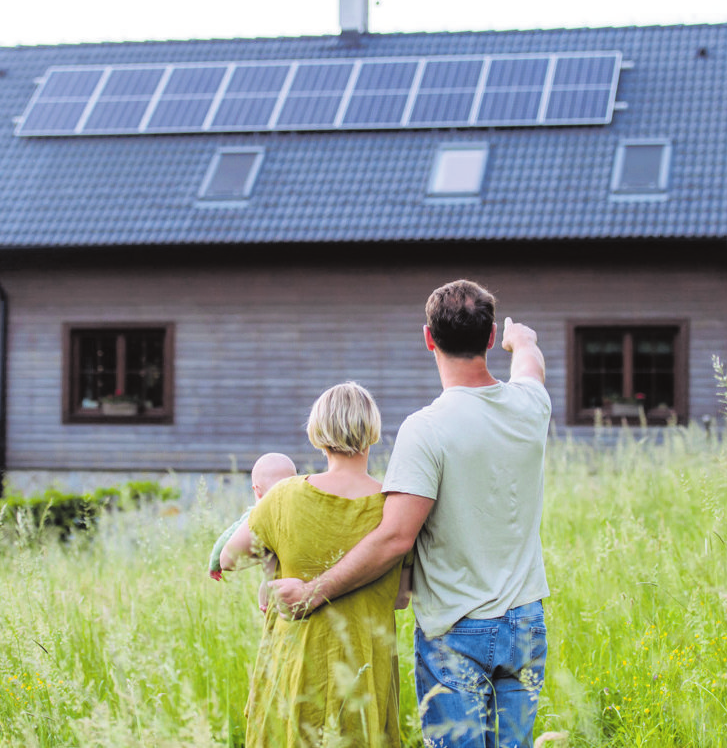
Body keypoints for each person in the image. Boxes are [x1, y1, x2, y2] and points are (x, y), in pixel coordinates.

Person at [271, 279, 552, 748]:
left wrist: (313, 593)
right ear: (488, 339)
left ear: (428, 338)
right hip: (526, 620)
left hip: (456, 628)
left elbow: (395, 538)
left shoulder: (427, 429)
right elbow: (531, 368)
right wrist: (523, 340)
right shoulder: (530, 404)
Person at [220, 382, 411, 748]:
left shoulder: (284, 495)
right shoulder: (396, 505)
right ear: (372, 430)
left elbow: (229, 559)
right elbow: (401, 598)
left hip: (296, 664)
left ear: (318, 433)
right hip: (365, 667)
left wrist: (264, 520)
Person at [208, 452, 296, 611]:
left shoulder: (255, 514)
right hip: (299, 581)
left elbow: (227, 538)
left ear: (257, 490)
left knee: (269, 580)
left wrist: (214, 564)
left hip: (277, 584)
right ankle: (267, 606)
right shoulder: (298, 509)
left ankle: (266, 606)